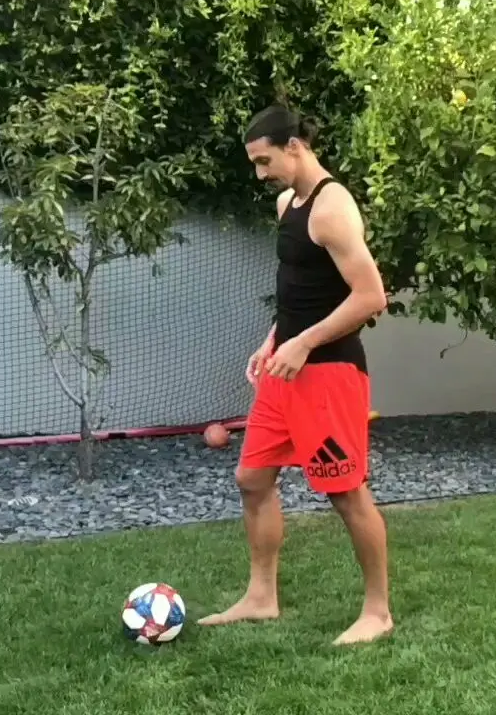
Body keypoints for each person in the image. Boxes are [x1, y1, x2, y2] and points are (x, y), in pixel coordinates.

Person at [197, 105, 393, 645]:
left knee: (346, 493)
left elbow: (371, 297)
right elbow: (301, 291)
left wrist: (304, 342)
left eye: (265, 162)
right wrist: (274, 340)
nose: (261, 175)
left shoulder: (333, 209)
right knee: (252, 479)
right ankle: (262, 597)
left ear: (294, 147)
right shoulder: (289, 204)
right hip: (284, 370)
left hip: (330, 374)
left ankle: (377, 611)